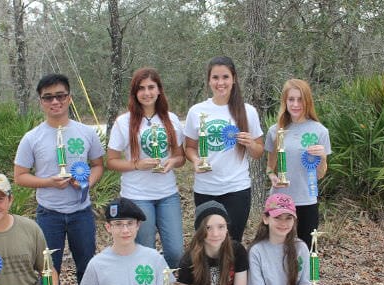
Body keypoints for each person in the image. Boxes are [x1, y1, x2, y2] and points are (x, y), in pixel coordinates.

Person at [14, 73, 105, 285]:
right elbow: (20, 177)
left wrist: (88, 182)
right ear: (41, 101)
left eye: (61, 96)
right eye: (48, 97)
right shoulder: (32, 138)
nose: (55, 102)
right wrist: (48, 182)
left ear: (70, 98)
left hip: (81, 212)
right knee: (48, 266)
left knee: (87, 263)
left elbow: (98, 165)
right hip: (49, 213)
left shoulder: (86, 132)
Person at [107, 67, 185, 268]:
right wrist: (136, 164)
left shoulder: (172, 119)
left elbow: (180, 157)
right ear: (134, 93)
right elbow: (111, 161)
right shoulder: (123, 122)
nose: (147, 93)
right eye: (141, 88)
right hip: (138, 195)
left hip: (168, 194)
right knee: (146, 249)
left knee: (176, 251)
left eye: (151, 87)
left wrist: (172, 162)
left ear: (159, 90)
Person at [184, 56, 264, 242]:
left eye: (225, 77)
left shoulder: (248, 111)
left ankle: (230, 272)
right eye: (215, 77)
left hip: (237, 188)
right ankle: (212, 273)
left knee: (232, 243)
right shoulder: (196, 111)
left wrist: (251, 144)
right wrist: (196, 160)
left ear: (234, 79)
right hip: (205, 188)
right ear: (209, 80)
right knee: (208, 243)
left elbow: (259, 152)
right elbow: (189, 147)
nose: (221, 83)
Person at [265, 78, 332, 249]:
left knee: (308, 250)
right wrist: (271, 175)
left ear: (307, 101)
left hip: (306, 200)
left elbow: (321, 174)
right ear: (284, 101)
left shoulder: (320, 131)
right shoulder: (275, 131)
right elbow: (270, 165)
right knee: (277, 250)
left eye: (300, 99)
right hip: (279, 201)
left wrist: (323, 157)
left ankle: (308, 278)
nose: (295, 104)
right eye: (291, 99)